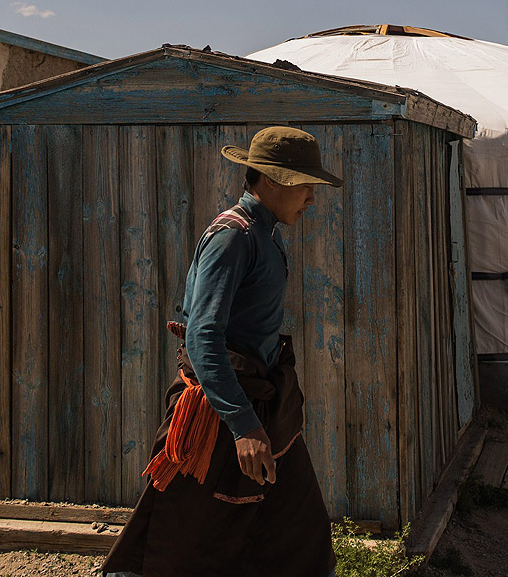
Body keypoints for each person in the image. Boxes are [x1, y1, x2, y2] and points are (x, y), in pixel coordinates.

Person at [102, 126, 342, 577]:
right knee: (183, 537)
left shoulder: (263, 233)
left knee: (298, 530)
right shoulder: (233, 237)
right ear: (271, 180)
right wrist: (244, 425)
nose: (312, 197)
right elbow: (203, 336)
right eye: (305, 184)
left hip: (265, 402)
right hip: (220, 413)